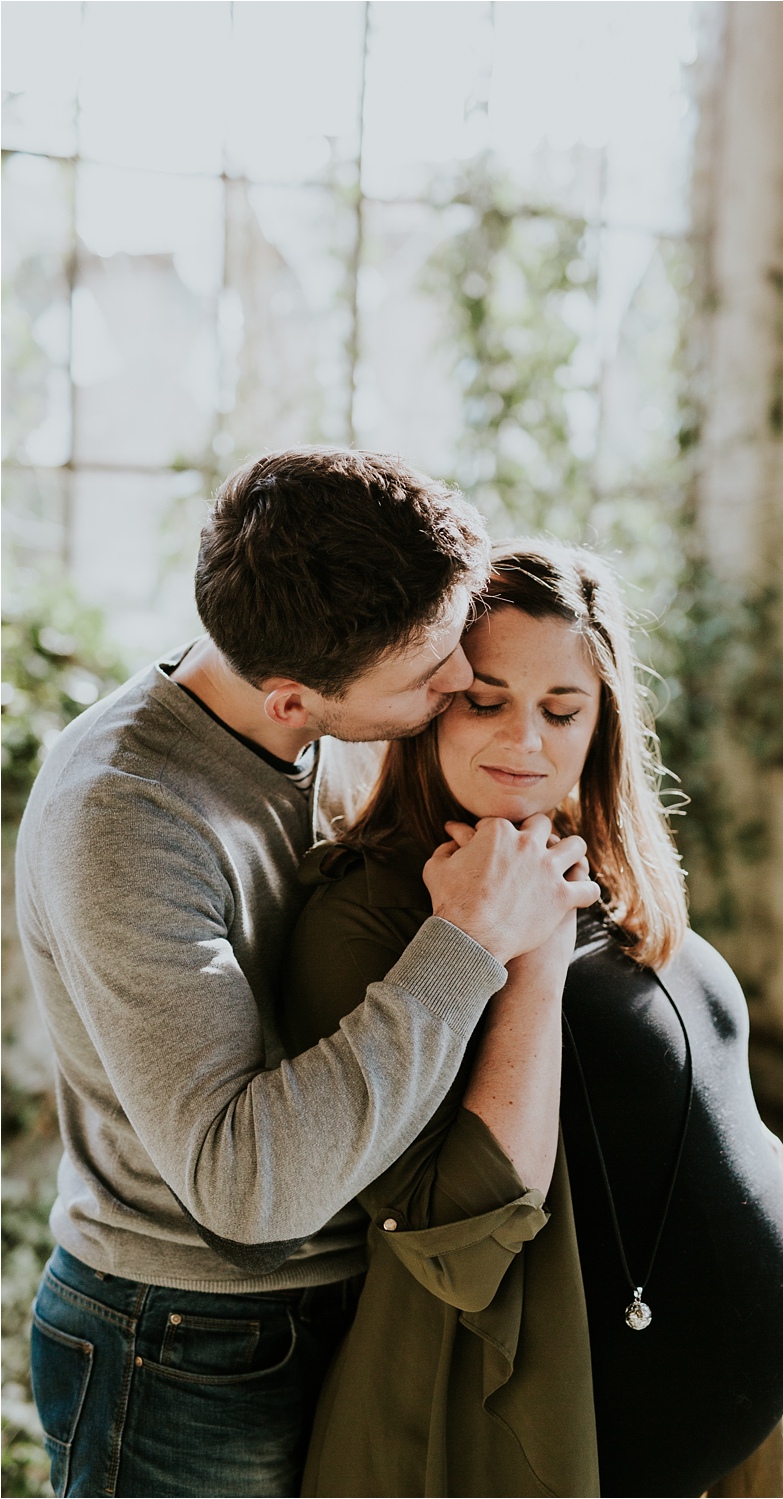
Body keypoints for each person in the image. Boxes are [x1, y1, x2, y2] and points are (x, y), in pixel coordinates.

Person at [16, 450, 601, 1499]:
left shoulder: (340, 710)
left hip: (356, 1297)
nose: (458, 681)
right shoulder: (125, 817)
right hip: (188, 1346)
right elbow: (248, 1187)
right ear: (292, 698)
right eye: (430, 674)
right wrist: (466, 945)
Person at [284, 540, 783, 1498]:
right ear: (427, 703)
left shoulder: (597, 864)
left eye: (562, 710)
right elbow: (459, 1240)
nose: (525, 742)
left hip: (719, 1443)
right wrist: (523, 955)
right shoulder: (370, 915)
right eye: (485, 701)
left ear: (603, 720)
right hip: (533, 1441)